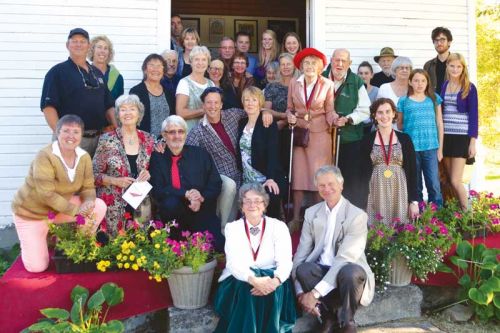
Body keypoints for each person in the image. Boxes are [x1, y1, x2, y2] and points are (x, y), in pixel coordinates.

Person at [11, 115, 107, 273]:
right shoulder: (45, 156)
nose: (71, 136)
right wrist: (77, 211)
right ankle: (33, 240)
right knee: (37, 267)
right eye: (66, 131)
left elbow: (88, 187)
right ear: (57, 132)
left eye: (76, 132)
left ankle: (77, 246)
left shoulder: (83, 158)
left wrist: (88, 202)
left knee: (98, 206)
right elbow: (46, 194)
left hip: (60, 210)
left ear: (81, 134)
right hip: (32, 212)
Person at [292, 165, 375, 333]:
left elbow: (345, 259)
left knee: (349, 272)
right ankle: (329, 316)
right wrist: (300, 292)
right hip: (321, 272)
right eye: (321, 185)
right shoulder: (311, 213)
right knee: (304, 269)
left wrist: (314, 294)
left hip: (348, 275)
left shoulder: (357, 215)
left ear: (341, 185)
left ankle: (347, 321)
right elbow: (301, 254)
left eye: (331, 184)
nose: (327, 189)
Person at [186, 87, 273, 231]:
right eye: (209, 103)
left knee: (235, 216)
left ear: (221, 104)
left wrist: (265, 111)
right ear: (203, 105)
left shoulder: (232, 115)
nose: (212, 106)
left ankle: (229, 232)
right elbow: (186, 152)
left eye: (216, 103)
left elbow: (252, 110)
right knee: (230, 186)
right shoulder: (199, 130)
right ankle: (221, 232)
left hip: (241, 172)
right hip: (220, 175)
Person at [214, 182, 296, 333]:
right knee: (247, 288)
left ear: (264, 205)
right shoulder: (232, 228)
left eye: (257, 200)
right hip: (239, 279)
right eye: (247, 201)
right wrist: (253, 280)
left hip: (272, 278)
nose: (252, 205)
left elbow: (285, 261)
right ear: (241, 205)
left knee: (273, 289)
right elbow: (233, 264)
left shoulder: (279, 227)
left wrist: (275, 281)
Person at [150, 115, 224, 251]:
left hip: (200, 209)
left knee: (217, 246)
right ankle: (175, 243)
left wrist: (201, 197)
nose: (177, 136)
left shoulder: (200, 154)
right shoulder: (157, 157)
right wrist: (185, 194)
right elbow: (158, 189)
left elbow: (215, 183)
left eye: (181, 131)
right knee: (170, 203)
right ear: (164, 135)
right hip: (173, 214)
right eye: (172, 132)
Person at [41, 28, 116, 157]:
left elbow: (109, 105)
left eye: (82, 41)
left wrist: (118, 131)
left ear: (89, 46)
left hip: (99, 140)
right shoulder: (57, 72)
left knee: (95, 177)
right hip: (72, 140)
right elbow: (48, 107)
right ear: (67, 45)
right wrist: (62, 137)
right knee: (69, 177)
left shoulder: (97, 73)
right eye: (74, 41)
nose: (78, 44)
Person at [286, 48, 336, 229]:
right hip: (300, 132)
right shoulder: (294, 82)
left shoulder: (327, 84)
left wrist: (335, 120)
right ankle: (297, 218)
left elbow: (330, 109)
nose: (309, 66)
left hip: (320, 132)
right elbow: (289, 108)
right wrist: (290, 116)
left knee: (319, 176)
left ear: (320, 67)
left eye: (313, 63)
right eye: (306, 63)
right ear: (300, 66)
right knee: (298, 177)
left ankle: (317, 219)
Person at [93, 95, 155, 235]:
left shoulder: (149, 139)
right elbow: (93, 175)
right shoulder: (106, 140)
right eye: (123, 109)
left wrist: (149, 173)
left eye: (132, 109)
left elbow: (157, 167)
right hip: (113, 202)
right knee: (115, 248)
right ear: (118, 114)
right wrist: (114, 180)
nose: (128, 113)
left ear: (139, 113)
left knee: (139, 246)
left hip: (139, 199)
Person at [323, 49, 370, 208]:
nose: (340, 64)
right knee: (326, 179)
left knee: (349, 179)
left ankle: (350, 215)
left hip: (350, 139)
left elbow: (365, 110)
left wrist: (348, 119)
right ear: (331, 60)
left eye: (344, 61)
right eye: (337, 60)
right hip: (324, 139)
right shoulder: (320, 77)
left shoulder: (356, 81)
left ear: (349, 63)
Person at [360, 98, 419, 225]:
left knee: (401, 231)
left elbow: (414, 171)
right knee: (378, 234)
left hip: (400, 191)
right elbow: (361, 174)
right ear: (375, 116)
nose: (384, 116)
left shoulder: (405, 139)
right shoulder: (366, 140)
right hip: (376, 192)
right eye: (380, 112)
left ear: (393, 114)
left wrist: (414, 201)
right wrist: (362, 202)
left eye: (388, 111)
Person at [397, 69, 444, 207]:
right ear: (410, 82)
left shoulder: (434, 99)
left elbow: (439, 123)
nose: (420, 84)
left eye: (423, 80)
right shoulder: (404, 101)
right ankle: (418, 216)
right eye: (416, 80)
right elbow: (400, 125)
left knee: (434, 184)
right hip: (411, 149)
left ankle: (436, 217)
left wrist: (440, 149)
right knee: (415, 184)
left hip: (431, 147)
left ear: (427, 82)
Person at [238, 87, 285, 219]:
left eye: (254, 100)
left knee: (271, 196)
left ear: (260, 103)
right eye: (247, 100)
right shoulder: (241, 123)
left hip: (265, 176)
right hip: (247, 179)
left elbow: (273, 152)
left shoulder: (268, 123)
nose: (250, 103)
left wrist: (270, 178)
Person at [440, 53, 478, 210]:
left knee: (456, 180)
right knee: (448, 180)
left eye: (459, 66)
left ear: (463, 68)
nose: (455, 69)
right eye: (452, 66)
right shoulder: (444, 85)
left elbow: (474, 116)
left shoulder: (469, 87)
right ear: (447, 67)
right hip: (446, 136)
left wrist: (472, 142)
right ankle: (454, 213)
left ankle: (467, 214)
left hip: (461, 137)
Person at [264, 53, 299, 180]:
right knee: (277, 165)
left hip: (295, 130)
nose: (285, 67)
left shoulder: (300, 85)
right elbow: (266, 110)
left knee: (293, 168)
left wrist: (284, 121)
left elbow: (300, 110)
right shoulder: (272, 86)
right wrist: (285, 116)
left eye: (288, 64)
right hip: (275, 130)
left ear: (294, 66)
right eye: (283, 64)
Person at [130, 54, 174, 138]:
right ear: (145, 70)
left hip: (165, 143)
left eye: (159, 66)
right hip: (143, 142)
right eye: (151, 65)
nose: (155, 69)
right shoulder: (136, 92)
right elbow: (132, 120)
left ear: (163, 70)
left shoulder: (168, 93)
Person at [176, 46, 215, 132]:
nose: (200, 63)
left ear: (208, 63)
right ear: (190, 62)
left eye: (204, 60)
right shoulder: (184, 83)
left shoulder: (211, 84)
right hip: (190, 133)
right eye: (196, 59)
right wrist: (204, 110)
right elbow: (180, 112)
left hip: (208, 133)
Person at [88, 35, 124, 102]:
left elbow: (120, 104)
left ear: (109, 53)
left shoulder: (118, 78)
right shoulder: (84, 74)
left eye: (106, 48)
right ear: (92, 50)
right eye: (99, 47)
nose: (102, 51)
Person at [424, 27, 453, 95]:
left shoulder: (457, 64)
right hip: (433, 103)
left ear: (449, 42)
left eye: (442, 40)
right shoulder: (428, 65)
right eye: (436, 40)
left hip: (451, 103)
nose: (439, 43)